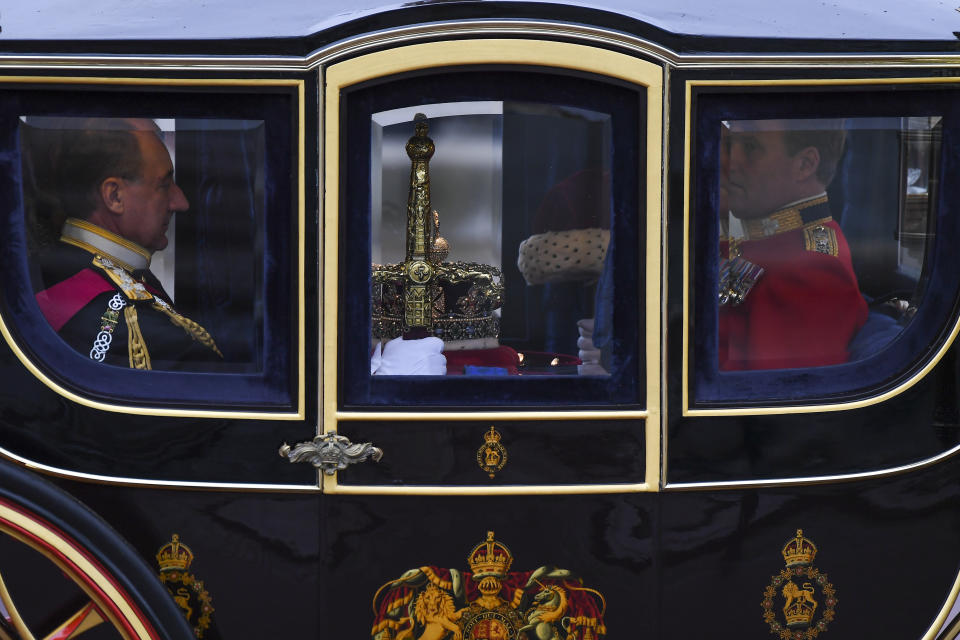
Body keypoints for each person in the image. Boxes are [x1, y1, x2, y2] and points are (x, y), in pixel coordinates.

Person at [30, 117, 222, 370]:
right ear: (114, 196)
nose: (181, 202)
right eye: (164, 185)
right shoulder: (136, 326)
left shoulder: (37, 273)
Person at [718, 119, 867, 370]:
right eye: (730, 144)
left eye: (751, 147)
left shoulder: (811, 271)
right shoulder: (786, 240)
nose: (729, 162)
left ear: (805, 165)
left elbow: (775, 393)